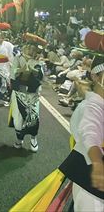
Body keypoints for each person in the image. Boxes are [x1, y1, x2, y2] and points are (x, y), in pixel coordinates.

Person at [59, 55, 104, 210]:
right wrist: (97, 163)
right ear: (96, 76)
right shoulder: (90, 107)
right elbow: (89, 134)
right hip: (91, 180)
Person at [9, 44, 44, 152]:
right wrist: (21, 70)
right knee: (18, 118)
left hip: (32, 92)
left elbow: (41, 75)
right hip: (19, 91)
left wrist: (34, 70)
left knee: (33, 116)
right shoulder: (17, 58)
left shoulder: (38, 61)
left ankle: (34, 139)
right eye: (28, 47)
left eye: (32, 48)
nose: (30, 49)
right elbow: (12, 74)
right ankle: (19, 139)